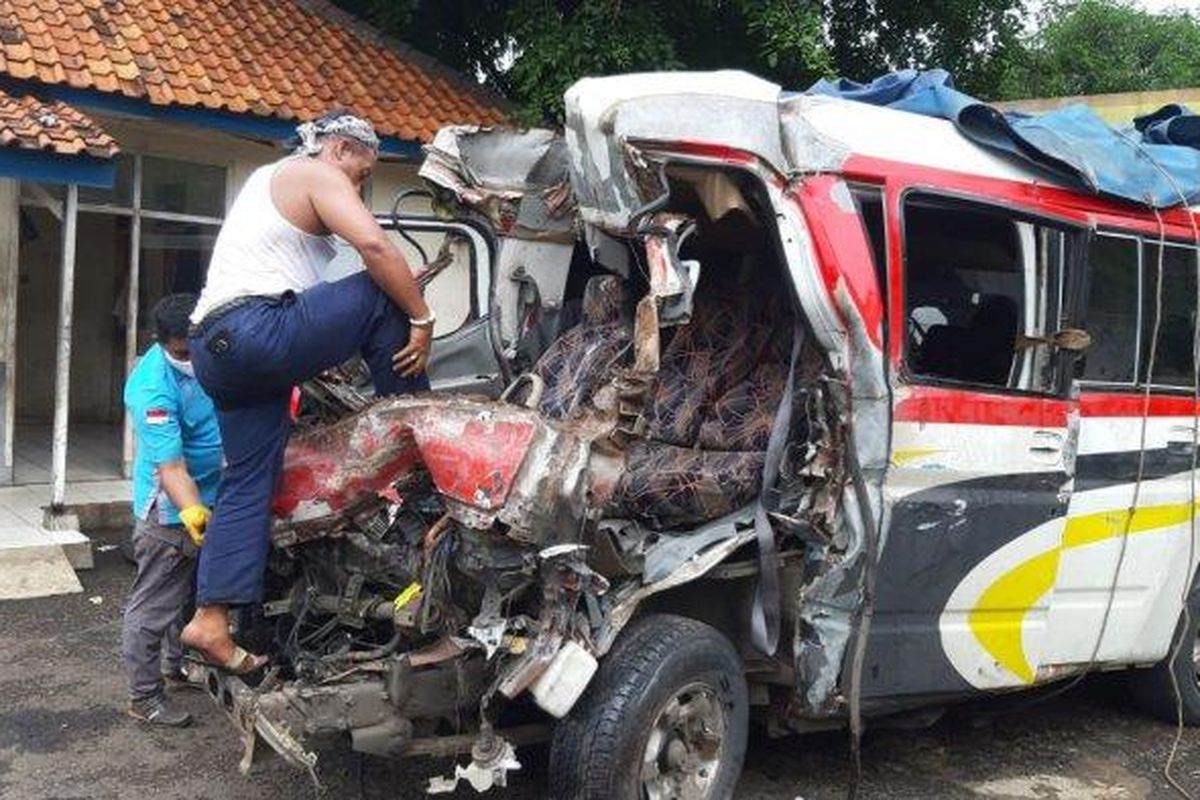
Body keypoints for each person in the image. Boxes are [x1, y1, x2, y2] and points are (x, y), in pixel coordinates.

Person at [181, 110, 434, 672]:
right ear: (341, 149)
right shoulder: (312, 170)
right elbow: (373, 245)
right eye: (363, 174)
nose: (360, 186)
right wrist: (422, 319)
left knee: (249, 481)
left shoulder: (266, 187)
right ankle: (428, 463)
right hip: (253, 328)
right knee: (380, 292)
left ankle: (211, 620)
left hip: (215, 349)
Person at [121, 293, 222, 727]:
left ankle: (176, 666)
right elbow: (172, 467)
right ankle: (144, 698)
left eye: (196, 348)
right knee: (154, 606)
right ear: (163, 343)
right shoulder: (153, 389)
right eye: (183, 353)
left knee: (189, 593)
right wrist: (193, 511)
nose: (191, 359)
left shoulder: (206, 353)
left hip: (215, 491)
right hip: (171, 509)